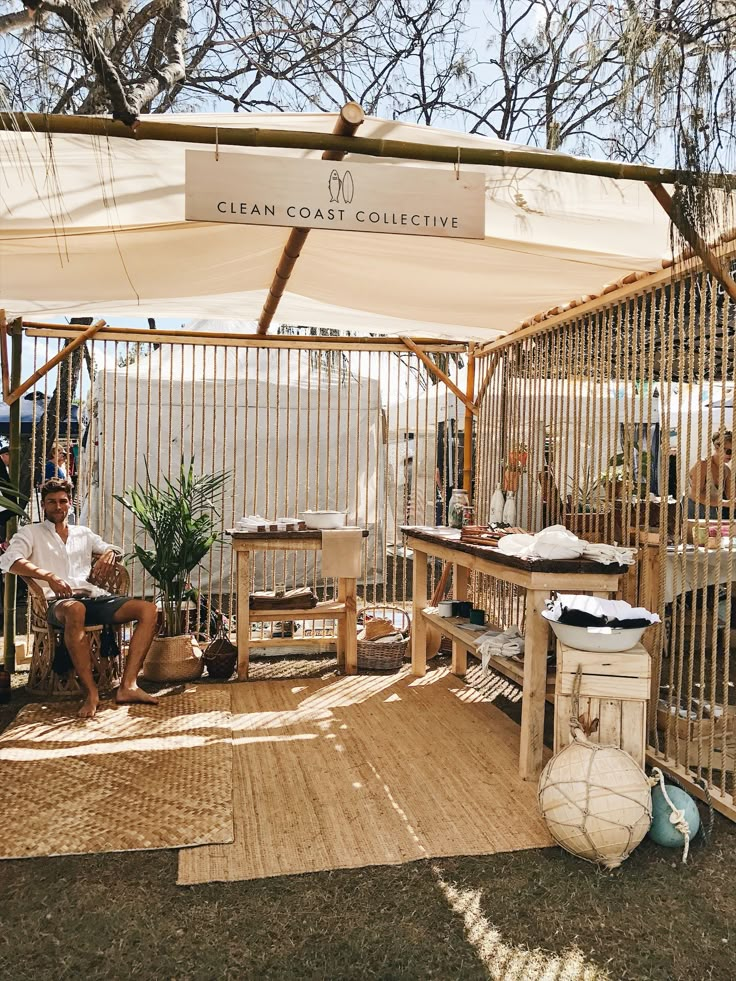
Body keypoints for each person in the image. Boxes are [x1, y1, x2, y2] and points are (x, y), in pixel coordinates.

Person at [0, 477, 160, 718]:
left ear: (70, 504)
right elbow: (10, 560)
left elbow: (113, 548)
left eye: (62, 501)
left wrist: (109, 553)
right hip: (57, 603)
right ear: (43, 505)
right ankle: (92, 693)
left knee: (148, 610)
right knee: (75, 610)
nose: (57, 506)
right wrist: (48, 576)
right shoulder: (30, 532)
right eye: (51, 502)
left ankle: (128, 686)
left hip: (92, 598)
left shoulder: (83, 533)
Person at [687, 430, 733, 519]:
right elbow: (695, 495)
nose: (731, 455)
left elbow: (730, 496)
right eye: (728, 451)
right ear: (717, 448)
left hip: (711, 510)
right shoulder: (703, 464)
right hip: (693, 508)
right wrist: (724, 503)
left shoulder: (727, 470)